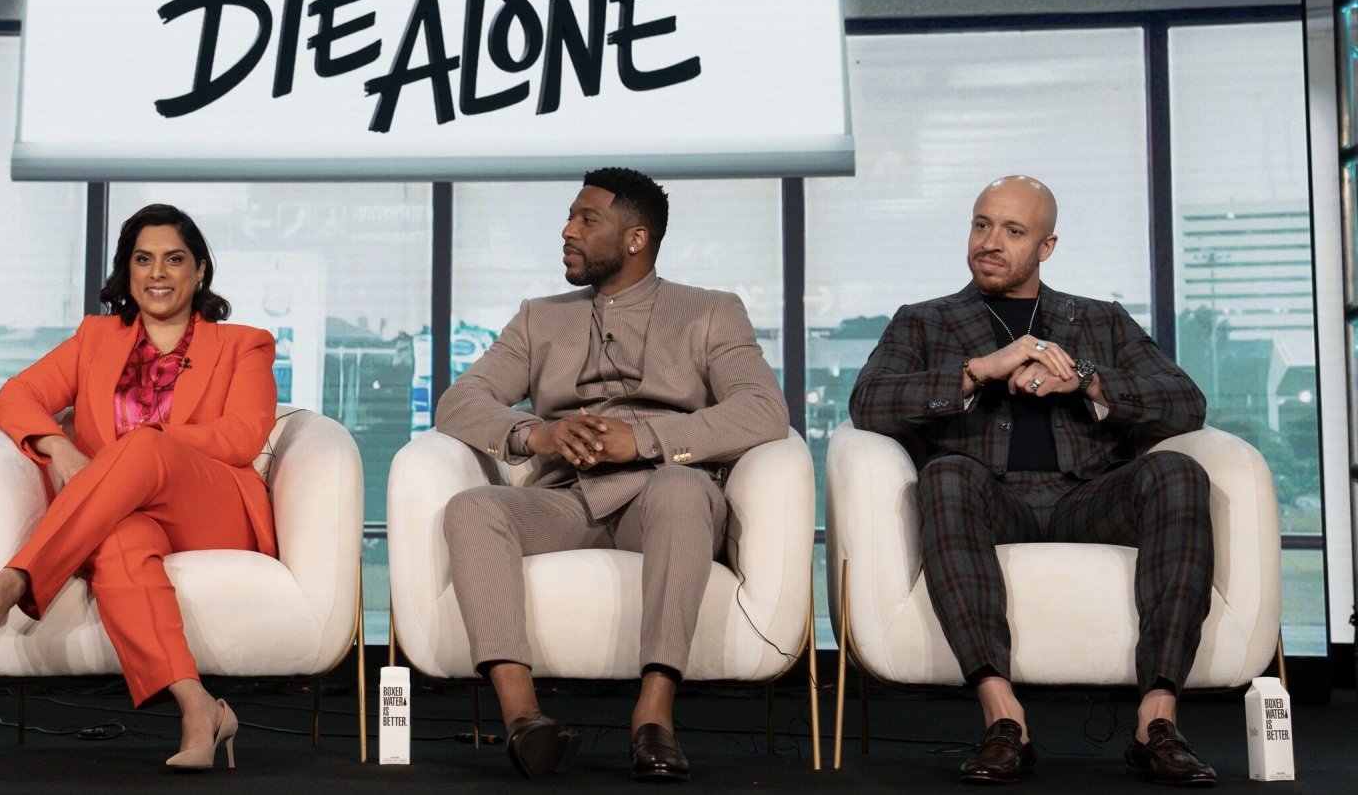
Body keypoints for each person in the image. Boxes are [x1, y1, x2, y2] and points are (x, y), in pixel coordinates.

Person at [847, 175, 1217, 786]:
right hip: (988, 497)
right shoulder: (924, 322)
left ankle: (1157, 720)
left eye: (1012, 231)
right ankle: (1004, 718)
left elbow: (1186, 402)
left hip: (1089, 498)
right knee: (945, 477)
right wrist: (975, 372)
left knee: (1178, 471)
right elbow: (868, 404)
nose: (990, 242)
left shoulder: (1100, 320)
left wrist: (1089, 380)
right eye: (981, 224)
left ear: (1046, 247)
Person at [436, 167, 788, 782]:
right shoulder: (540, 318)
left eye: (586, 220)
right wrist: (535, 434)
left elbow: (762, 410)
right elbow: (459, 402)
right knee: (474, 507)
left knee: (682, 488)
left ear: (635, 239)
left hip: (662, 494)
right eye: (569, 217)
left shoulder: (710, 312)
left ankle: (653, 719)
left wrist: (645, 440)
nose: (567, 231)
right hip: (567, 500)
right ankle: (525, 721)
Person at [0, 204, 275, 772]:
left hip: (212, 505)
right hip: (125, 510)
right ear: (126, 272)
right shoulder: (97, 338)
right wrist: (59, 447)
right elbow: (15, 396)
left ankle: (15, 580)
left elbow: (245, 434)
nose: (157, 274)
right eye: (142, 260)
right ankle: (198, 707)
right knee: (120, 541)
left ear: (200, 271)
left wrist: (148, 445)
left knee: (145, 446)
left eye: (174, 260)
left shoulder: (244, 343)